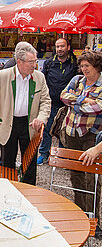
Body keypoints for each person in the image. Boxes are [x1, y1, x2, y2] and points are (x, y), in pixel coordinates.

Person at [0, 42, 51, 185]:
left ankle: (28, 192)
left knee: (30, 163)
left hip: (30, 124)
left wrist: (41, 118)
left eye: (35, 61)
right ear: (19, 62)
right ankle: (7, 191)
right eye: (31, 62)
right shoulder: (3, 76)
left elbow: (46, 102)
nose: (35, 65)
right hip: (8, 123)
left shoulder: (39, 77)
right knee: (7, 161)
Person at [60, 51, 102, 233]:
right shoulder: (77, 80)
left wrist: (74, 100)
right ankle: (80, 214)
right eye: (82, 66)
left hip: (91, 135)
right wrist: (84, 99)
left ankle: (93, 219)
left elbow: (98, 107)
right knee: (75, 175)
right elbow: (62, 96)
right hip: (72, 132)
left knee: (92, 178)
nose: (84, 69)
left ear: (97, 67)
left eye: (87, 66)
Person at [37, 37, 78, 165]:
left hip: (67, 106)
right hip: (51, 103)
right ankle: (44, 154)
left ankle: (62, 156)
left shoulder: (74, 64)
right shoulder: (49, 63)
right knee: (48, 130)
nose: (59, 49)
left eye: (62, 46)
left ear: (68, 47)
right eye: (58, 46)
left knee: (63, 131)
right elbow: (42, 80)